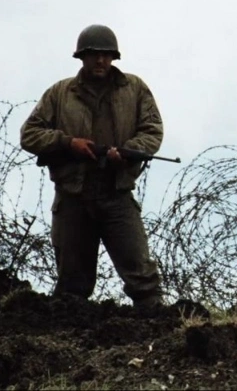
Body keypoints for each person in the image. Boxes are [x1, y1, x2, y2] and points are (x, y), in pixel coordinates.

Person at [19, 24, 165, 309]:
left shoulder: (134, 88)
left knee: (143, 278)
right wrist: (68, 143)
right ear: (82, 57)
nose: (100, 61)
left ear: (113, 58)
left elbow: (152, 131)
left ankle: (158, 334)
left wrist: (128, 151)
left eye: (106, 55)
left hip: (116, 192)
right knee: (72, 287)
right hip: (73, 195)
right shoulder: (60, 93)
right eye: (94, 54)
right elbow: (30, 134)